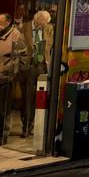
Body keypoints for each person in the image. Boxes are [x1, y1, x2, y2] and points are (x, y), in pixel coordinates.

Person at [0, 13, 27, 147]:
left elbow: (23, 57)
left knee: (1, 110)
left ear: (8, 22)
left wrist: (12, 72)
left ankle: (0, 137)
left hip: (4, 79)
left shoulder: (16, 35)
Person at [21, 10, 53, 138]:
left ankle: (39, 126)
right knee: (27, 97)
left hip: (42, 65)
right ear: (37, 18)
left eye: (46, 22)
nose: (44, 25)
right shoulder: (25, 27)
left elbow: (49, 46)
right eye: (43, 21)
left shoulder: (49, 28)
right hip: (28, 65)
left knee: (40, 97)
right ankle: (26, 126)